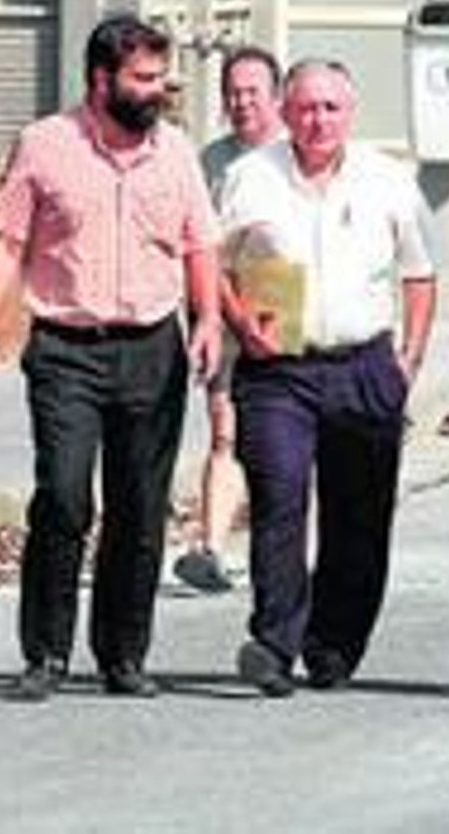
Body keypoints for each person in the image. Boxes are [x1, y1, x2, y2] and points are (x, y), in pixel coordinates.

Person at [0, 14, 222, 701]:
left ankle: (123, 655)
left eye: (161, 78)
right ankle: (45, 653)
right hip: (66, 350)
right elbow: (9, 243)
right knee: (65, 498)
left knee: (140, 506)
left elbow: (199, 245)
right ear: (101, 80)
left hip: (151, 347)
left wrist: (209, 319)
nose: (157, 90)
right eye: (143, 78)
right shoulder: (43, 146)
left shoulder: (177, 153)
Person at [220, 59, 436, 698]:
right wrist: (236, 320)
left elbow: (419, 272)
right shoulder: (248, 178)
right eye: (306, 108)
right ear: (285, 113)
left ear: (351, 112)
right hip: (278, 365)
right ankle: (274, 642)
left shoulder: (389, 181)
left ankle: (335, 643)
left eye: (330, 109)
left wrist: (410, 358)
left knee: (359, 514)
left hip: (363, 363)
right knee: (280, 496)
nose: (317, 121)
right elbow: (212, 265)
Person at [171, 45, 286, 595]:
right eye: (232, 94)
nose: (241, 104)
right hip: (220, 300)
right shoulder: (209, 161)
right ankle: (211, 547)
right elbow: (196, 246)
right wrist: (215, 315)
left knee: (286, 434)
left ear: (277, 97)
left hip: (284, 297)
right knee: (225, 429)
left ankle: (289, 548)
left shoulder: (297, 153)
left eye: (252, 93)